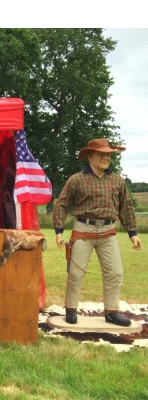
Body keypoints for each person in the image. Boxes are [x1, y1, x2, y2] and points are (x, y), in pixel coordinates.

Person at [53, 138, 142, 326]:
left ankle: (111, 312)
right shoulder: (76, 179)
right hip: (83, 231)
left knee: (115, 273)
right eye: (101, 154)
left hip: (109, 232)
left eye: (108, 154)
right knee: (76, 273)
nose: (105, 157)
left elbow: (126, 206)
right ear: (90, 156)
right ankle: (71, 309)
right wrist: (59, 229)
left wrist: (132, 232)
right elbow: (61, 203)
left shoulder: (117, 180)